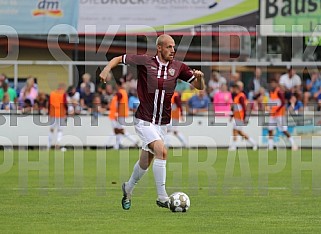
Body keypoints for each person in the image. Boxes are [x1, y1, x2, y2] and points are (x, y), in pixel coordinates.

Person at [99, 34, 205, 210]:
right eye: (169, 47)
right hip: (144, 119)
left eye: (174, 47)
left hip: (162, 124)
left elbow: (200, 86)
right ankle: (162, 197)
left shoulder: (178, 67)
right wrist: (106, 69)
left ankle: (128, 187)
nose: (173, 50)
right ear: (160, 48)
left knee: (146, 160)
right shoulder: (145, 62)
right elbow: (118, 58)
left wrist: (200, 77)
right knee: (162, 152)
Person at [108, 77, 139, 149]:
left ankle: (133, 141)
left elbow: (117, 104)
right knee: (118, 130)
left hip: (119, 114)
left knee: (119, 130)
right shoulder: (124, 92)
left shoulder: (119, 93)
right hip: (123, 113)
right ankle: (117, 145)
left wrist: (116, 114)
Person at [268, 79, 298, 151]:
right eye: (271, 83)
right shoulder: (271, 92)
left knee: (284, 130)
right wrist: (270, 108)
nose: (272, 85)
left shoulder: (279, 92)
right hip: (273, 114)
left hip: (280, 114)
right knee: (270, 129)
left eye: (273, 83)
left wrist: (277, 110)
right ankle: (270, 146)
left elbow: (283, 103)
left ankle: (293, 144)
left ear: (276, 84)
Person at [229, 83, 257, 151]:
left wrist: (245, 118)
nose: (232, 90)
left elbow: (244, 107)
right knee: (239, 132)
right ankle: (253, 143)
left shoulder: (241, 96)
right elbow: (236, 108)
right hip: (237, 116)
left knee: (235, 131)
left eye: (233, 89)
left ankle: (234, 146)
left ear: (236, 89)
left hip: (240, 117)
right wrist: (232, 115)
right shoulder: (236, 97)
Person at [48, 83, 68, 150]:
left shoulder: (52, 93)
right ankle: (58, 143)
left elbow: (49, 103)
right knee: (60, 129)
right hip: (61, 113)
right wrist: (67, 111)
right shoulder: (63, 94)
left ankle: (49, 145)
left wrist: (49, 112)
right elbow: (65, 104)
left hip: (52, 113)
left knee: (51, 129)